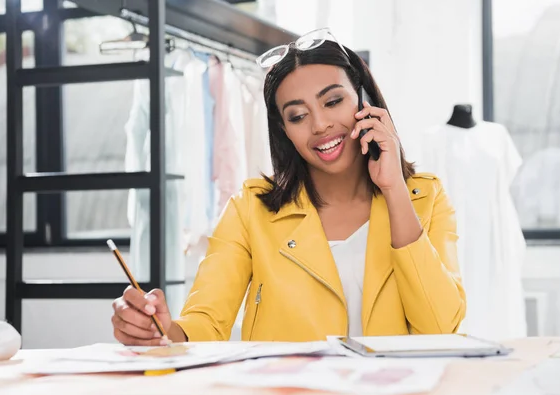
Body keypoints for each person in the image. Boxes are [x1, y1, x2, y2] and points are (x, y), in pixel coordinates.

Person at [111, 28, 466, 345]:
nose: (320, 124)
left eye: (333, 101)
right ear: (283, 130)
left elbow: (440, 329)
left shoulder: (426, 198)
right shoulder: (249, 209)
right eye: (297, 116)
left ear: (364, 100)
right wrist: (161, 331)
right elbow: (205, 320)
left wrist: (394, 191)